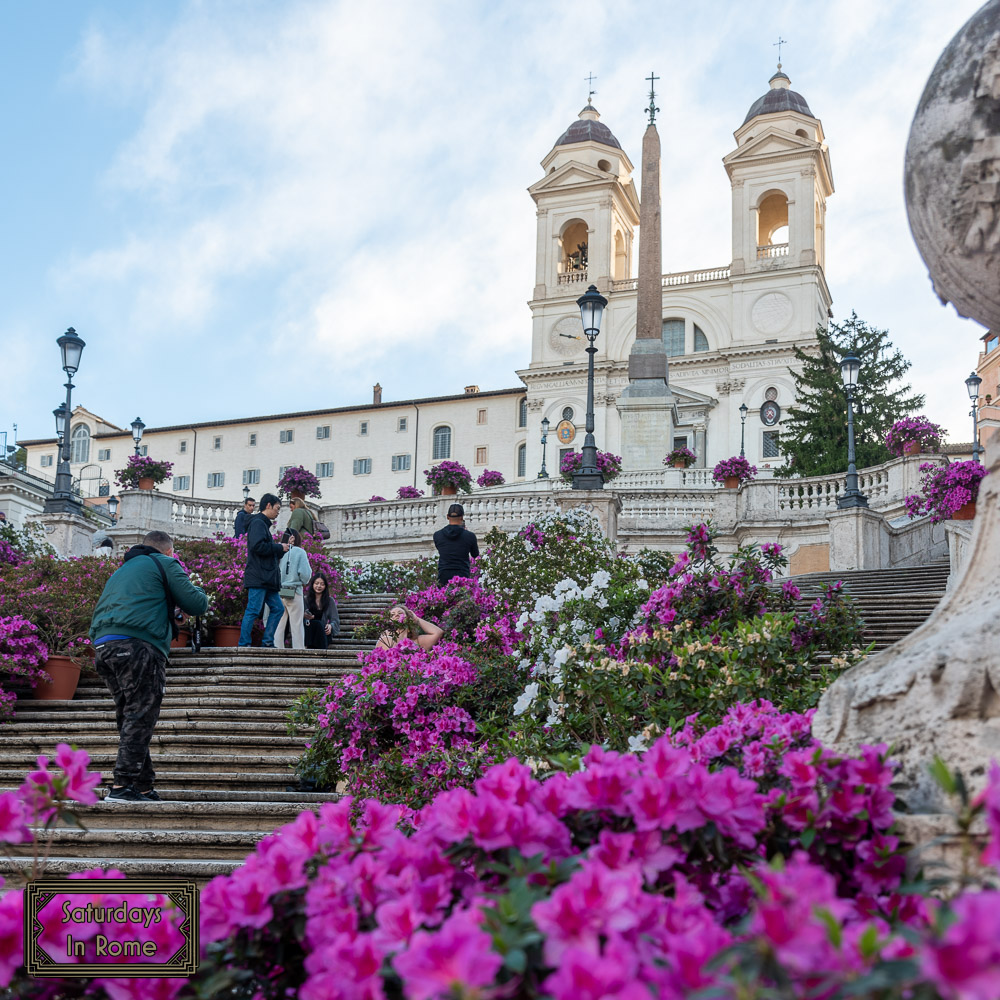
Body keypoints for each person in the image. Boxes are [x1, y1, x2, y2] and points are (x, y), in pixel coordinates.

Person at [89, 529, 208, 801]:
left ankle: (142, 785)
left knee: (131, 715)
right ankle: (121, 786)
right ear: (168, 551)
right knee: (141, 715)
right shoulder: (165, 563)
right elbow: (196, 603)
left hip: (104, 646)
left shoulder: (124, 569)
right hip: (138, 646)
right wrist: (198, 590)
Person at [238, 493, 289, 647]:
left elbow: (264, 549)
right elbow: (258, 546)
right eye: (277, 508)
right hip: (259, 576)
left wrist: (281, 548)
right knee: (253, 610)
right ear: (268, 505)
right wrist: (279, 547)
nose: (278, 512)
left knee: (278, 608)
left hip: (266, 578)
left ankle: (267, 642)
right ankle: (244, 644)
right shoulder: (258, 523)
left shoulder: (261, 524)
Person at [274, 529, 312, 649]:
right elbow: (305, 574)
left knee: (279, 625)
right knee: (296, 625)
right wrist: (302, 582)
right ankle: (298, 651)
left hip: (279, 591)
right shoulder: (300, 552)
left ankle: (277, 650)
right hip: (294, 591)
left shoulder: (278, 552)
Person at [433, 503, 479, 584]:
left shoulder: (437, 535)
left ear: (447, 516)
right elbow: (475, 554)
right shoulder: (470, 536)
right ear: (462, 517)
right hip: (462, 574)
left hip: (444, 575)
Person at [375, 605, 444, 651]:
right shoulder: (386, 635)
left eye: (400, 613)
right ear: (389, 621)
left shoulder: (417, 641)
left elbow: (438, 633)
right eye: (392, 615)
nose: (396, 615)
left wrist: (416, 619)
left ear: (408, 618)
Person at [303, 571, 340, 650]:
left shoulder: (330, 601)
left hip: (323, 632)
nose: (319, 586)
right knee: (316, 624)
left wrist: (331, 626)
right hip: (309, 631)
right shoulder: (305, 600)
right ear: (312, 584)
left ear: (325, 586)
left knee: (319, 624)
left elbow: (335, 620)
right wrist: (305, 616)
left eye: (322, 584)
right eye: (316, 583)